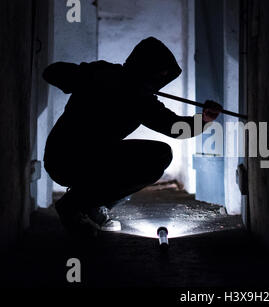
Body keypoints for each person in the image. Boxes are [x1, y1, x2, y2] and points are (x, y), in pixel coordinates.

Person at [42, 37, 222, 236]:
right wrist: (90, 77)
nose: (159, 81)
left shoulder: (142, 100)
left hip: (96, 159)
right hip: (62, 156)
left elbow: (175, 127)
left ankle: (90, 204)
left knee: (159, 155)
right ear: (145, 68)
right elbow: (51, 73)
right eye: (158, 74)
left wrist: (204, 120)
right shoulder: (102, 74)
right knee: (153, 156)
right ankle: (73, 205)